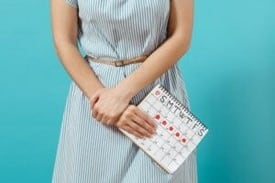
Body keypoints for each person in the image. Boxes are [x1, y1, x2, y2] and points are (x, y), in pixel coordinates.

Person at [50, 0, 197, 182]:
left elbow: (181, 36)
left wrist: (120, 95)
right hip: (94, 96)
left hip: (157, 96)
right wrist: (104, 101)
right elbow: (64, 41)